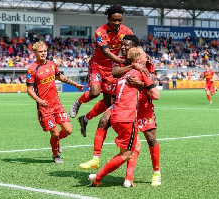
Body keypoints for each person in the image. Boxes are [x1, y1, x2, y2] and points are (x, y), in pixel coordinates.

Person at [80, 35, 161, 187]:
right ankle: (102, 163)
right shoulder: (122, 59)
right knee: (105, 122)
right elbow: (115, 72)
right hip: (126, 107)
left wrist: (140, 83)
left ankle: (156, 172)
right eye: (122, 45)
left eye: (126, 45)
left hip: (142, 105)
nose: (122, 47)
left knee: (150, 139)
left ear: (135, 47)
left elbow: (152, 84)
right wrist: (132, 66)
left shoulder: (145, 59)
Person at [69, 4, 133, 137]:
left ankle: (85, 119)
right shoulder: (100, 31)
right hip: (98, 65)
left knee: (108, 101)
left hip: (112, 69)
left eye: (119, 20)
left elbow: (134, 44)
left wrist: (141, 54)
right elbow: (106, 51)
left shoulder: (126, 31)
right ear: (108, 19)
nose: (117, 23)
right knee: (94, 92)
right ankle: (78, 102)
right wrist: (121, 61)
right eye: (114, 20)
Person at [26, 41, 84, 163]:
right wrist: (39, 100)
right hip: (45, 107)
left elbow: (60, 77)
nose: (43, 53)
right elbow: (29, 89)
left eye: (45, 51)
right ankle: (55, 155)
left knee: (68, 130)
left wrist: (75, 84)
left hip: (57, 104)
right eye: (40, 52)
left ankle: (56, 143)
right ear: (35, 53)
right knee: (55, 134)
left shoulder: (52, 64)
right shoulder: (32, 69)